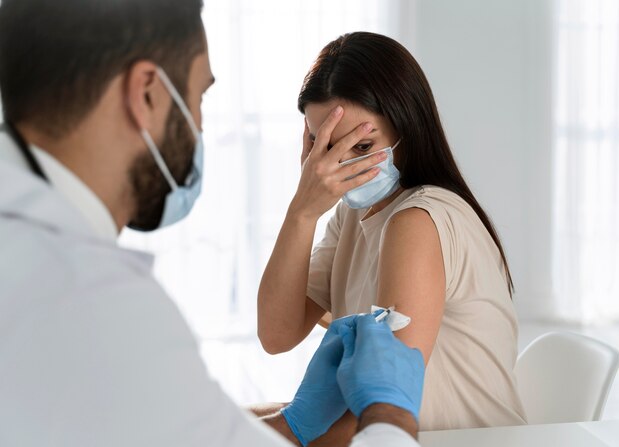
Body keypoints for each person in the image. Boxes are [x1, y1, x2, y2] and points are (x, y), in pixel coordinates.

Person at [0, 1, 427, 446]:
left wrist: (293, 423)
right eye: (199, 96)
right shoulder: (94, 300)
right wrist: (390, 414)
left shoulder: (37, 264)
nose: (200, 124)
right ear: (147, 93)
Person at [258, 31, 528, 437]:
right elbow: (278, 333)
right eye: (322, 144)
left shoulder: (417, 221)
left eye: (362, 147)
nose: (337, 168)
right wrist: (302, 212)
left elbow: (383, 413)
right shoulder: (354, 215)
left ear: (407, 127)